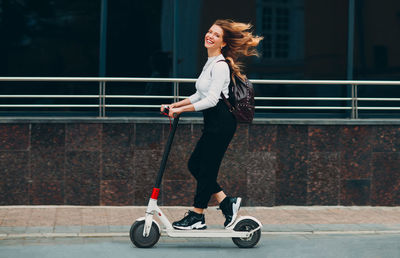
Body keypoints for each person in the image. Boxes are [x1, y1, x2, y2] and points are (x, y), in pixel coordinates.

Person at [161, 19, 263, 230]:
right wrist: (174, 104)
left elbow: (211, 100)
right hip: (213, 123)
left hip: (222, 123)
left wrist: (180, 111)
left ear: (223, 43)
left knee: (206, 169)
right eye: (209, 32)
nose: (210, 36)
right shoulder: (210, 62)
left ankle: (197, 215)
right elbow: (200, 94)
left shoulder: (221, 66)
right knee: (195, 165)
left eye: (216, 35)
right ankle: (227, 203)